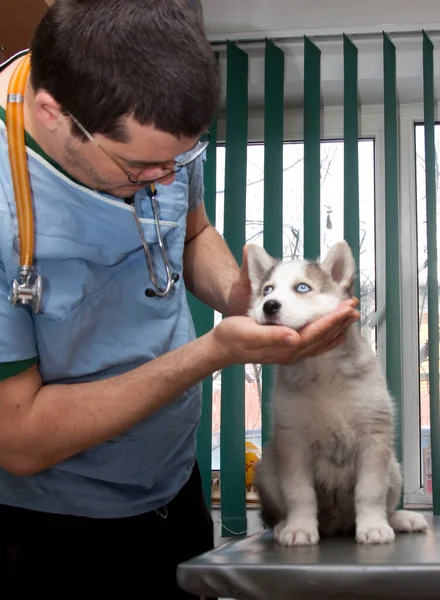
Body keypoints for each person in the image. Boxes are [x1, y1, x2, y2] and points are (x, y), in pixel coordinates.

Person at [0, 0, 359, 597]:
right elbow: (19, 438)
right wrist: (215, 351)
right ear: (53, 113)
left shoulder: (156, 127)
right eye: (142, 167)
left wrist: (239, 294)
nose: (167, 180)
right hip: (54, 528)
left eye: (182, 159)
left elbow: (191, 231)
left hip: (173, 488)